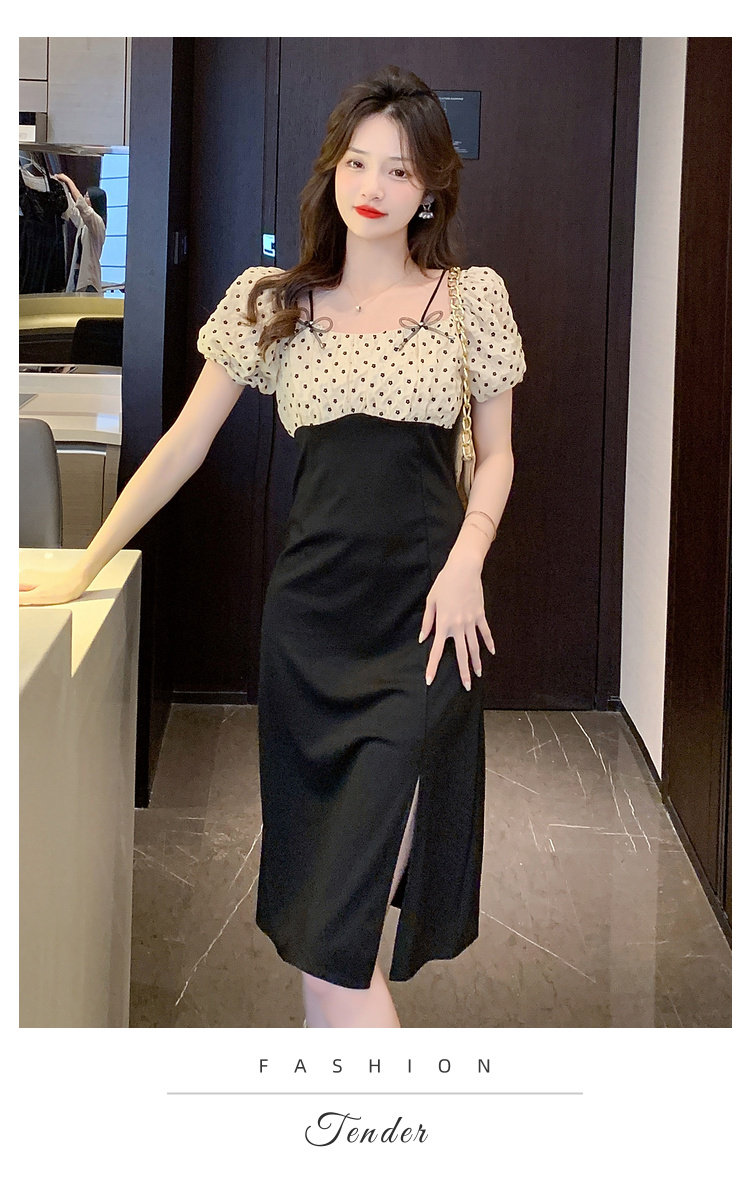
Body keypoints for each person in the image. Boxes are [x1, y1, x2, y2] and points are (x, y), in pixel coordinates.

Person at [20, 65, 527, 1029]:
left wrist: (469, 561)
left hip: (426, 628)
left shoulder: (472, 300)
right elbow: (182, 445)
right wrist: (86, 562)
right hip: (309, 632)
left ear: (431, 190)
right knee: (322, 923)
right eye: (357, 161)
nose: (372, 185)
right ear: (332, 168)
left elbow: (498, 456)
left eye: (400, 169)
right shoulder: (271, 303)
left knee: (339, 941)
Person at [53, 173, 107, 293]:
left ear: (94, 201)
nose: (83, 197)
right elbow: (74, 209)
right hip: (79, 275)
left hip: (89, 279)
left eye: (87, 196)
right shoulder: (85, 223)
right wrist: (63, 186)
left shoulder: (97, 222)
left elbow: (81, 205)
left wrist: (68, 180)